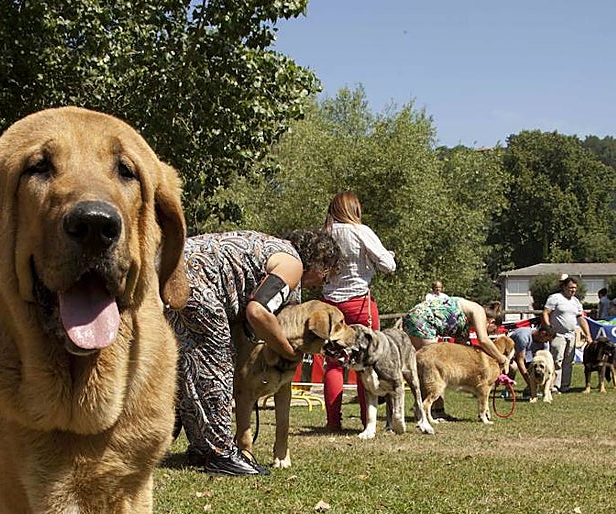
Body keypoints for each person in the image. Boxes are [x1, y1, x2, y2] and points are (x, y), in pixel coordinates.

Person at [168, 228, 339, 476]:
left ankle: (201, 448)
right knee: (217, 364)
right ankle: (222, 455)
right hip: (196, 279)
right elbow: (258, 312)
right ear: (318, 262)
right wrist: (287, 349)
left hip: (170, 268)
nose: (320, 283)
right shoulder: (292, 263)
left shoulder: (269, 248)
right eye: (325, 276)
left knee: (191, 368)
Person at [320, 191, 394, 432]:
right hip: (359, 303)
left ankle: (333, 422)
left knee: (333, 363)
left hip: (329, 304)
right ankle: (367, 422)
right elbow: (388, 265)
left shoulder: (325, 234)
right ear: (354, 210)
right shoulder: (361, 231)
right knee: (367, 363)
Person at [401, 293, 511, 367]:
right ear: (491, 322)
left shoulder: (464, 327)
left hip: (412, 317)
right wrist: (502, 359)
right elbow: (483, 340)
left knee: (423, 367)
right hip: (423, 320)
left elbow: (461, 350)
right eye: (492, 331)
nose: (489, 333)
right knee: (433, 369)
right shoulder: (478, 310)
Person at [541, 275, 594, 394]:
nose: (573, 290)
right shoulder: (555, 298)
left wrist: (588, 335)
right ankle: (553, 386)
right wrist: (549, 327)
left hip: (571, 335)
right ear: (564, 287)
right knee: (556, 361)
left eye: (575, 288)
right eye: (571, 287)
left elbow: (581, 319)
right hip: (558, 335)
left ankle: (565, 386)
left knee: (569, 362)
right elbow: (545, 313)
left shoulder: (576, 302)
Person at [508, 322, 556, 397]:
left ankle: (531, 390)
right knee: (513, 367)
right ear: (543, 334)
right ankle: (508, 390)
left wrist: (551, 378)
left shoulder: (544, 343)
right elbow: (520, 360)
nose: (546, 342)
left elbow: (547, 361)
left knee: (537, 367)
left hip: (527, 356)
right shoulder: (523, 337)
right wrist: (530, 383)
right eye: (546, 340)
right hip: (510, 356)